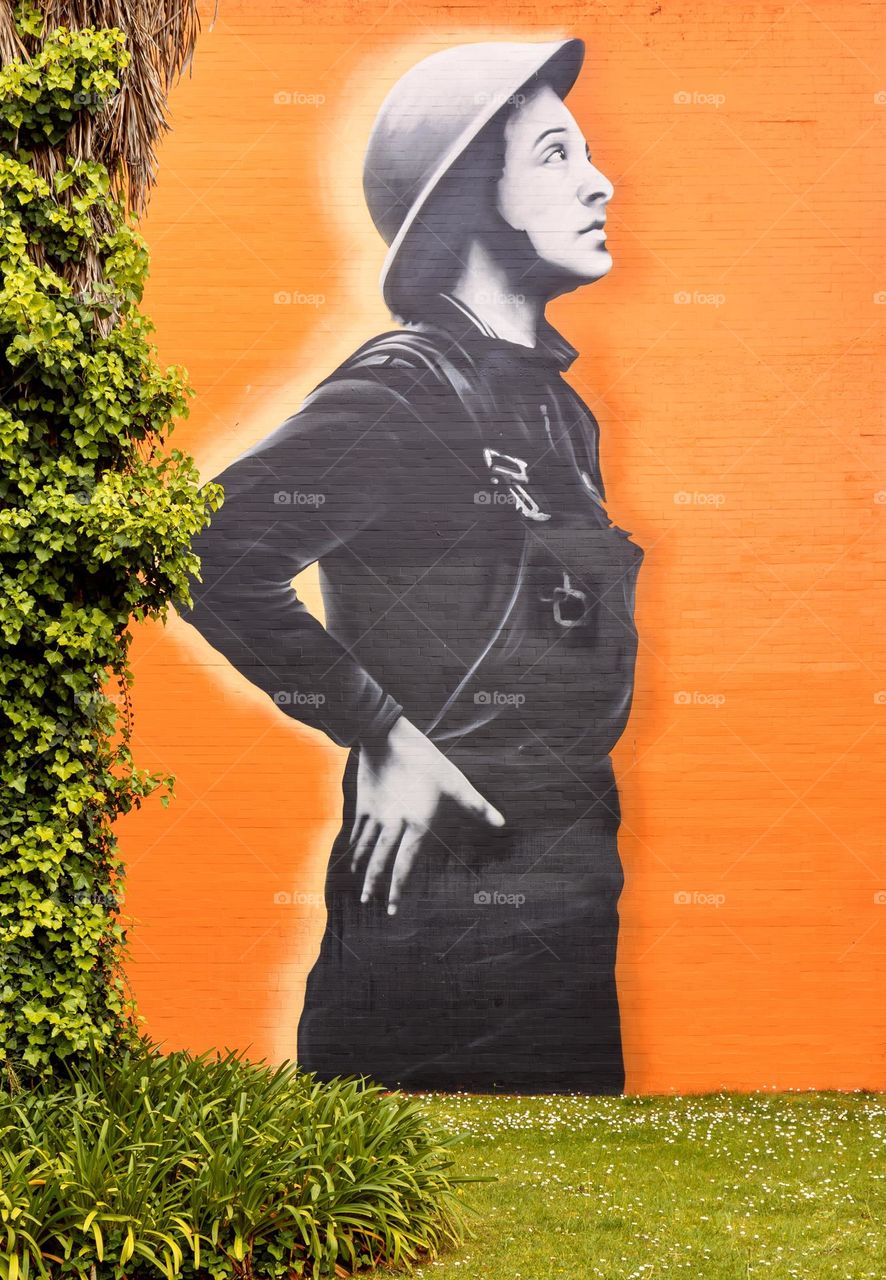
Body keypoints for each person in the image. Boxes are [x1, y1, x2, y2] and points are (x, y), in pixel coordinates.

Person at [178, 37, 645, 1094]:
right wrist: (378, 727)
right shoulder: (405, 390)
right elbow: (211, 551)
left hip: (567, 919)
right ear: (474, 195)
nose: (599, 180)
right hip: (436, 933)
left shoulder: (558, 415)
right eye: (556, 156)